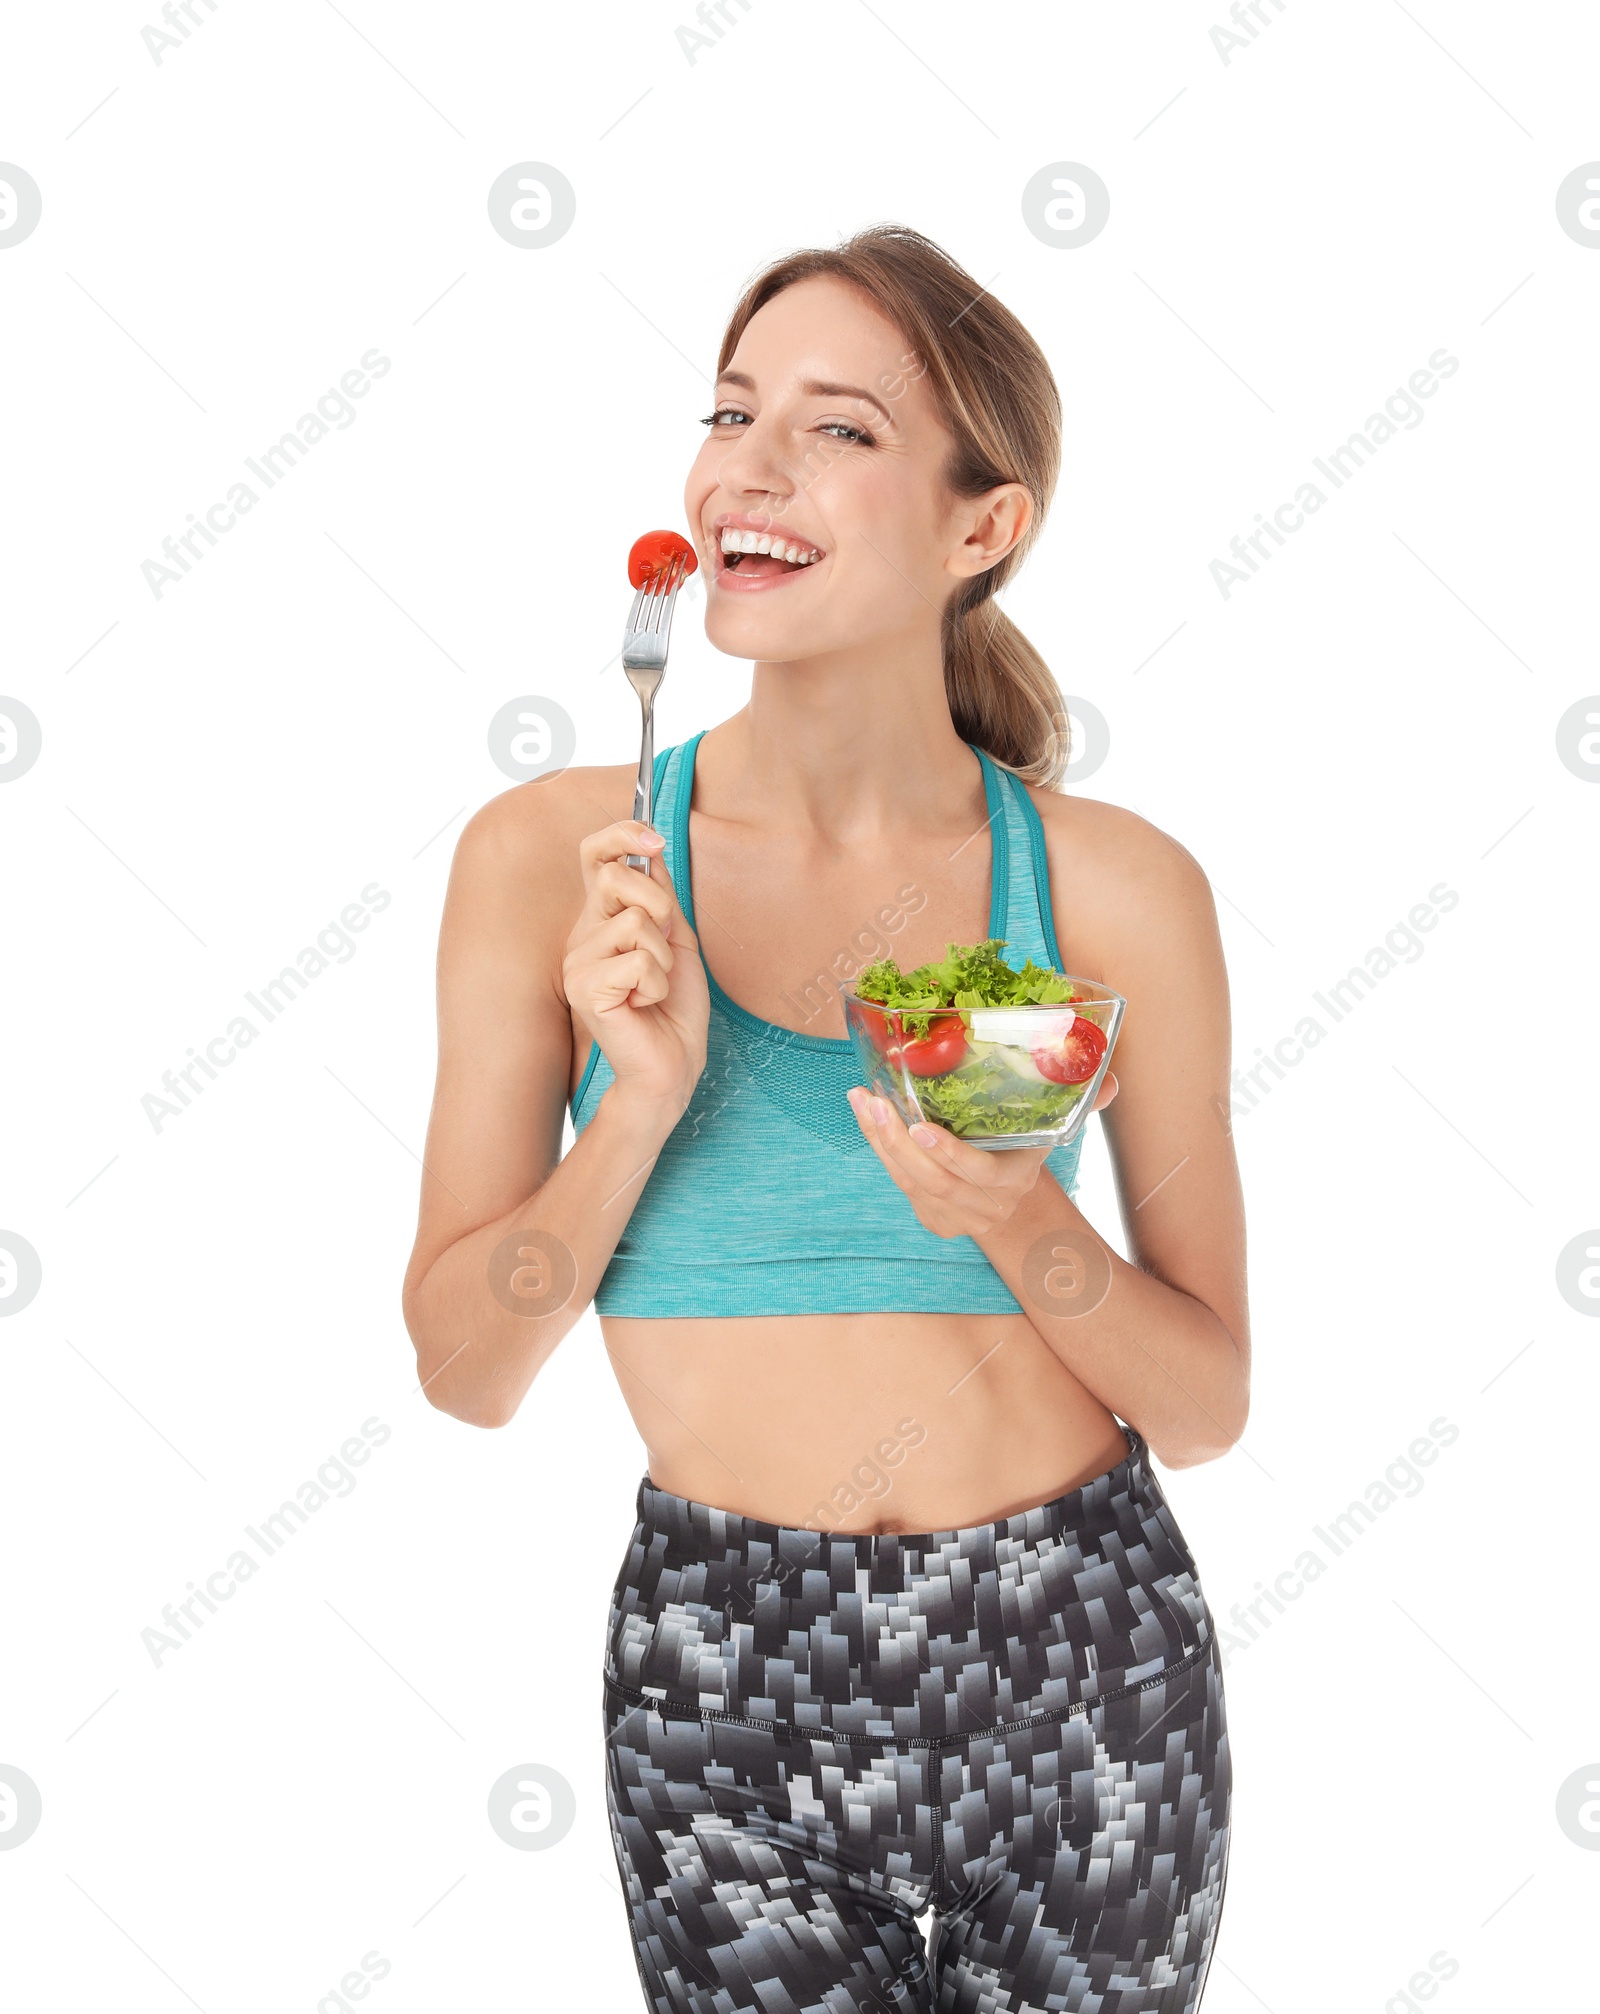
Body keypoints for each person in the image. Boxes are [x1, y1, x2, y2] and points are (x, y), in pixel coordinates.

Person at [402, 224, 1248, 2012]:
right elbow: (465, 1370)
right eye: (731, 411)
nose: (750, 468)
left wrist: (1021, 1217)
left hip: (1080, 1652)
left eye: (841, 429)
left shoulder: (1107, 892)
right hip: (720, 1670)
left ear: (981, 525)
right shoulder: (554, 861)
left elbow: (1210, 1400)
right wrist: (634, 1101)